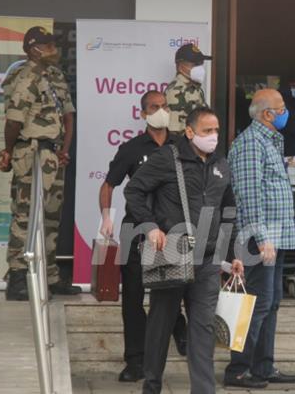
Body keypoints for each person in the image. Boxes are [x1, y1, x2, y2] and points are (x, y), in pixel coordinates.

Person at [124, 107, 241, 394]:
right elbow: (133, 191)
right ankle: (152, 385)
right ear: (190, 132)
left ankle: (203, 390)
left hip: (209, 258)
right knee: (161, 324)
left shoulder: (221, 165)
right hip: (171, 253)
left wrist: (232, 254)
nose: (213, 137)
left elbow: (228, 211)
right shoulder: (167, 159)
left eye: (216, 130)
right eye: (206, 131)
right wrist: (150, 226)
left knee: (203, 328)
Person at [97, 91, 187, 382]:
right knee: (133, 297)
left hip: (171, 232)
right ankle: (135, 360)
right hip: (135, 230)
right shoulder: (132, 149)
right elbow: (109, 184)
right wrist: (106, 217)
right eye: (153, 107)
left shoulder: (181, 146)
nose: (160, 111)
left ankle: (180, 329)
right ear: (143, 114)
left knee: (171, 290)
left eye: (163, 106)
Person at [0, 26, 81, 300]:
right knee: (26, 215)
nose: (53, 49)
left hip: (53, 155)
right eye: (47, 45)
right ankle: (18, 277)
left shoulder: (55, 75)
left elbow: (68, 115)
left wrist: (64, 149)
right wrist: (9, 151)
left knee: (51, 216)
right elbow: (14, 122)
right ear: (33, 48)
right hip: (31, 154)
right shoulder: (25, 77)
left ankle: (51, 276)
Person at [224, 89, 295, 388]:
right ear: (267, 113)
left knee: (271, 303)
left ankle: (263, 366)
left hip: (276, 237)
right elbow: (248, 195)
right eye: (281, 108)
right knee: (255, 305)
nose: (285, 112)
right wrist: (262, 237)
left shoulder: (270, 140)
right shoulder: (250, 144)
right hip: (260, 238)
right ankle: (238, 370)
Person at [165, 43, 210, 134]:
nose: (200, 68)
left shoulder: (194, 88)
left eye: (201, 64)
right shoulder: (176, 90)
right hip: (186, 146)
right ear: (181, 66)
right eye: (195, 64)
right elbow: (174, 133)